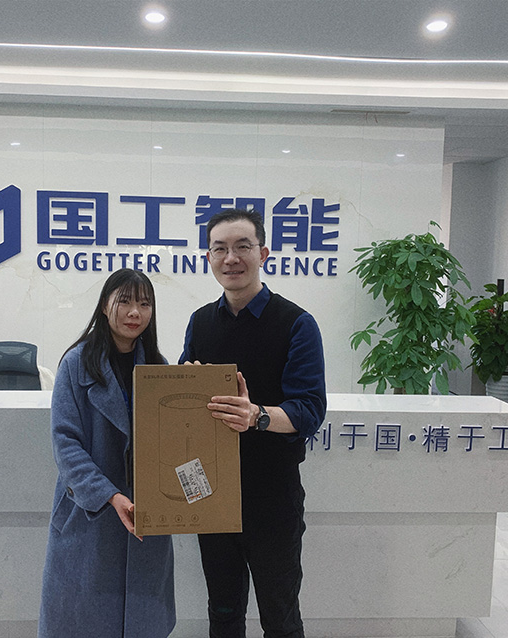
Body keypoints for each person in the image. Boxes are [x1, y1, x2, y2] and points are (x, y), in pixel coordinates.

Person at [179, 209, 326, 638]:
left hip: (272, 496)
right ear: (208, 258)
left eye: (242, 247)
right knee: (223, 613)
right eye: (220, 249)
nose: (231, 258)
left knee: (280, 619)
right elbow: (186, 402)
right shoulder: (200, 322)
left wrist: (256, 416)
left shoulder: (296, 323)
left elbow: (309, 409)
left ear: (263, 254)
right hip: (210, 492)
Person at [38, 268, 175, 638]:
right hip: (91, 516)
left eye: (144, 304)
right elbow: (66, 444)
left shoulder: (159, 368)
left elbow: (172, 443)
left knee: (143, 621)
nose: (135, 312)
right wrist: (109, 495)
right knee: (83, 621)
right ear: (104, 305)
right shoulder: (76, 363)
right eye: (125, 301)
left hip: (147, 516)